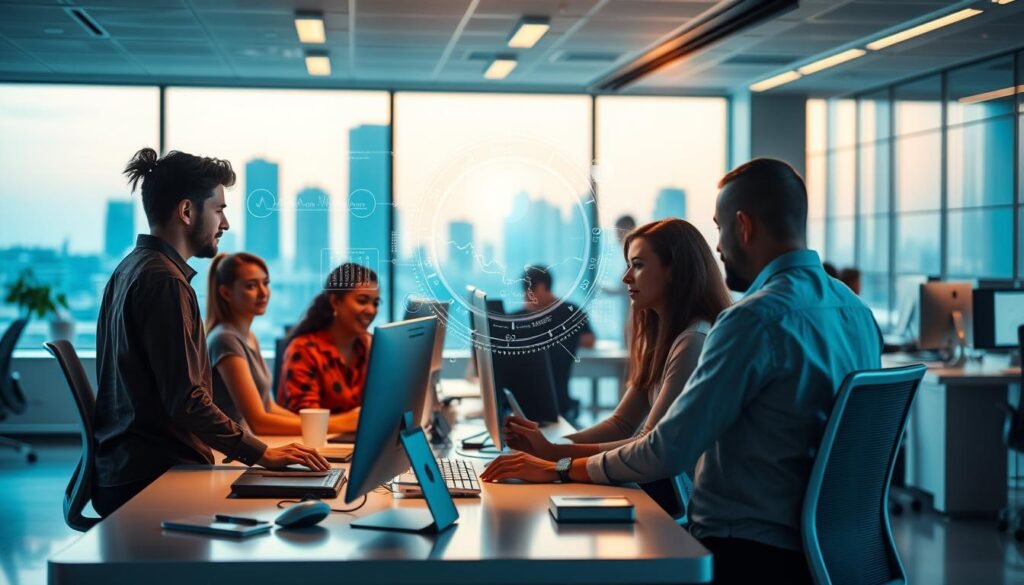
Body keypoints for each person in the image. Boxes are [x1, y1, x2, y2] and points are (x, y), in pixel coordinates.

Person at [481, 158, 883, 585]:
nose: (719, 247)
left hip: (742, 552)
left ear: (743, 227)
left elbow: (664, 452)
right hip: (832, 553)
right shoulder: (858, 314)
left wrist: (559, 466)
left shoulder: (752, 321)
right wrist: (553, 452)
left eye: (720, 229)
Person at [93, 148, 328, 517]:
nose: (225, 224)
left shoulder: (130, 268)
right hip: (153, 478)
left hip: (129, 470)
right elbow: (186, 400)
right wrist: (261, 453)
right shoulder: (164, 282)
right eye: (219, 209)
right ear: (187, 212)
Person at [504, 219, 730, 514]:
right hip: (659, 486)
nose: (626, 278)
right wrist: (548, 446)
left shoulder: (693, 342)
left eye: (637, 265)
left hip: (681, 501)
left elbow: (648, 445)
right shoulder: (665, 337)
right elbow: (621, 424)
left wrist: (556, 459)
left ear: (673, 270)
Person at [206, 252, 366, 435]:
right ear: (226, 293)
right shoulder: (225, 339)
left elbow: (269, 407)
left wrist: (325, 425)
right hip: (230, 452)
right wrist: (342, 424)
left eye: (266, 283)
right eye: (251, 286)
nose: (263, 292)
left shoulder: (249, 336)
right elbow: (259, 422)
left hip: (249, 446)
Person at [277, 263, 379, 425]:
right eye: (362, 301)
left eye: (375, 303)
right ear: (335, 302)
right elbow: (309, 422)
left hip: (352, 443)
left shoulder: (370, 346)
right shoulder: (304, 350)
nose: (371, 310)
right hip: (314, 446)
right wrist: (351, 420)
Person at [511, 265, 594, 419]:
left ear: (542, 288)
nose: (525, 297)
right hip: (529, 404)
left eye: (528, 291)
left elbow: (590, 341)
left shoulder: (567, 313)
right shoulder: (569, 312)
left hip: (556, 405)